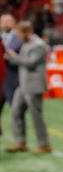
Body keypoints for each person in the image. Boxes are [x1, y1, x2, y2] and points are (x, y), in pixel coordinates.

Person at [5, 20, 51, 154]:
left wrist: (14, 56)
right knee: (15, 112)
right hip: (23, 84)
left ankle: (44, 144)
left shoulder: (39, 45)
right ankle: (20, 142)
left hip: (34, 85)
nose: (17, 36)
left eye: (19, 33)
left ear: (26, 32)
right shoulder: (26, 44)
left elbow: (30, 63)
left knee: (36, 115)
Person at [0, 13, 21, 133]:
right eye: (3, 21)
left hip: (14, 77)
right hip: (1, 78)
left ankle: (19, 138)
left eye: (8, 21)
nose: (5, 24)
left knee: (16, 109)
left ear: (13, 23)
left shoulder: (19, 36)